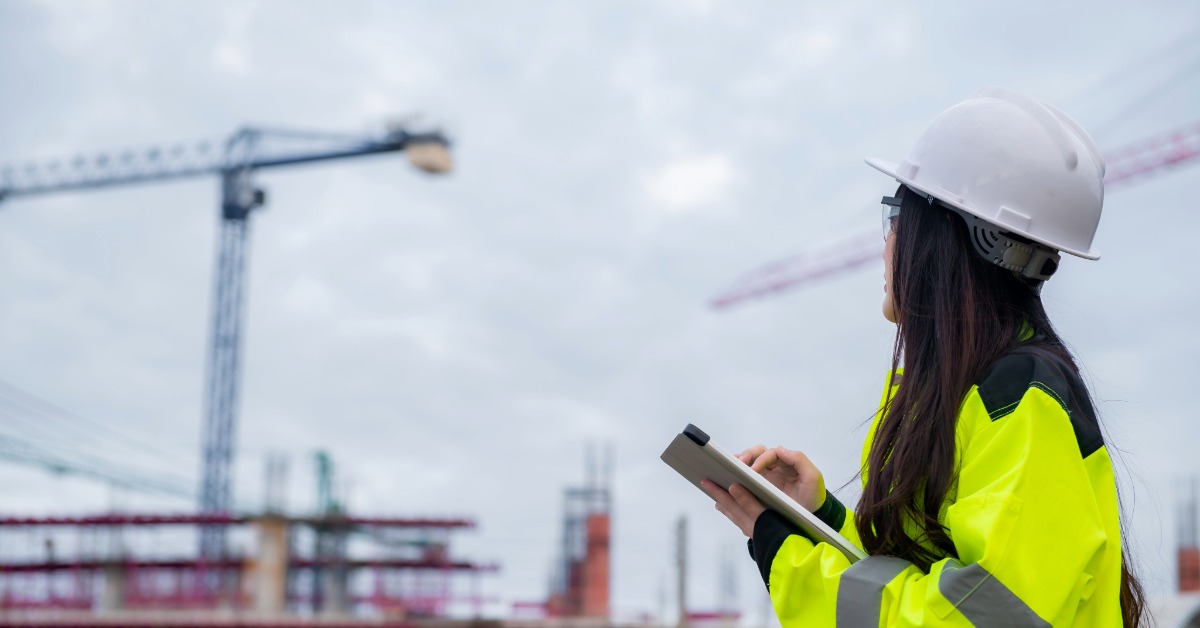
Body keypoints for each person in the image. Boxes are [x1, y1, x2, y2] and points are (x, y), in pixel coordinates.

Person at [702, 87, 1146, 627]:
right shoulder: (973, 396)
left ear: (941, 239)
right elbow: (924, 577)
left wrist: (792, 564)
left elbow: (983, 616)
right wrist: (823, 518)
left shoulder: (1017, 399)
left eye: (897, 217)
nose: (887, 243)